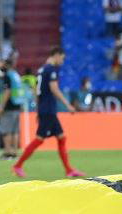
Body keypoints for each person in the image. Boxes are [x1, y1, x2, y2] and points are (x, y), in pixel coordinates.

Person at [12, 47, 81, 179]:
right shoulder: (51, 70)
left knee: (61, 138)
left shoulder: (41, 70)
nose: (62, 61)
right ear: (56, 55)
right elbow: (54, 89)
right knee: (39, 140)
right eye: (62, 58)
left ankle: (69, 170)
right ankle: (18, 165)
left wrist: (38, 110)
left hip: (45, 109)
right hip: (48, 110)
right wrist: (68, 105)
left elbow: (36, 92)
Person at [0, 59, 24, 160]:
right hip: (17, 105)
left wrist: (1, 107)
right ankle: (14, 152)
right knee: (14, 131)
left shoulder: (7, 76)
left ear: (6, 65)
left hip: (8, 106)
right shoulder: (16, 75)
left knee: (6, 131)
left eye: (1, 63)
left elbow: (7, 91)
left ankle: (8, 153)